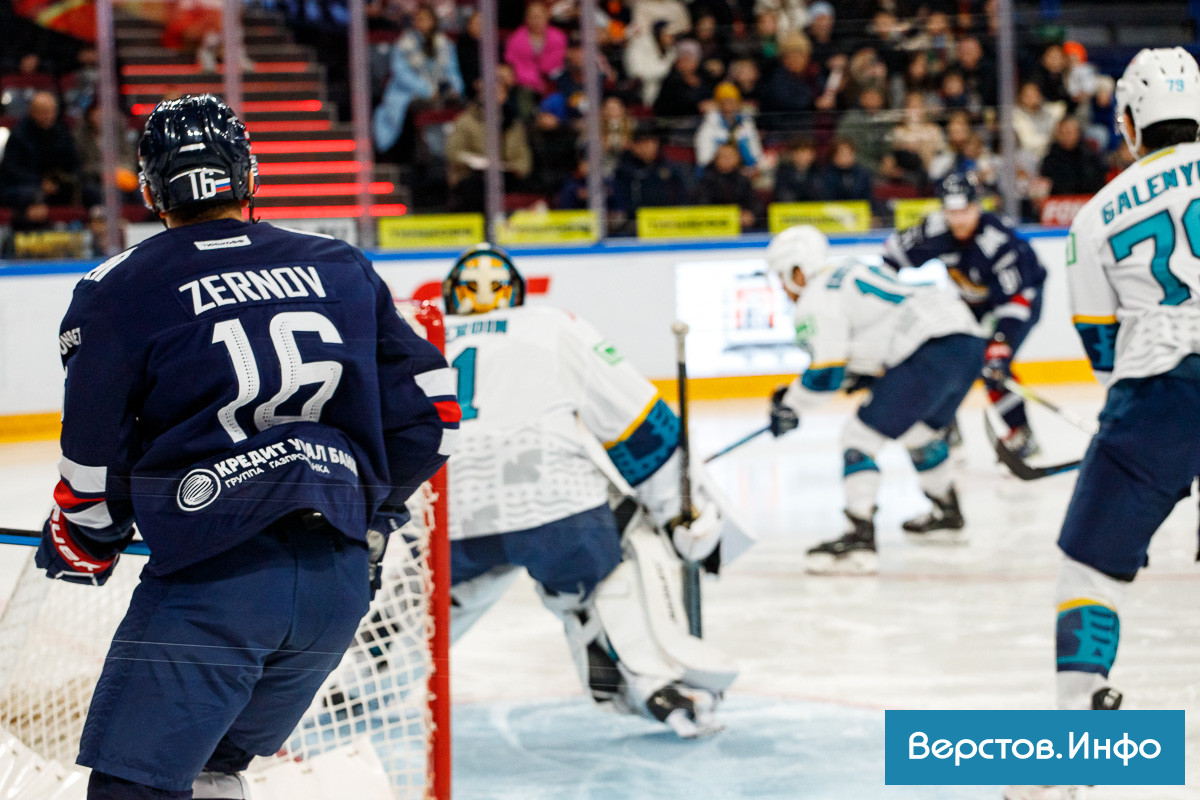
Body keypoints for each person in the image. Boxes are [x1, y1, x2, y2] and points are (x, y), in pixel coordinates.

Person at [33, 94, 458, 799]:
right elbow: (433, 418)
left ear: (149, 188)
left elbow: (92, 466)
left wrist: (87, 540)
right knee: (211, 769)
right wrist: (369, 515)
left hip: (215, 588)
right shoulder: (341, 264)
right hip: (335, 591)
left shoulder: (116, 289)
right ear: (247, 174)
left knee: (132, 787)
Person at [1004, 47, 1200, 800]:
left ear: (1126, 124)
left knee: (1089, 570)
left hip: (1159, 389)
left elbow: (1100, 350)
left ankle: (1073, 747)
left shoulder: (1096, 215)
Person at [441, 244, 739, 737]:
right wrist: (678, 513)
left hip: (446, 512)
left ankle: (346, 694)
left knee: (419, 608)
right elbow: (640, 425)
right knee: (620, 534)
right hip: (552, 502)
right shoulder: (553, 324)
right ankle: (653, 684)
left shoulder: (420, 337)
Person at [765, 225, 985, 575]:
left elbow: (826, 372)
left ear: (797, 270)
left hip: (926, 348)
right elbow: (873, 341)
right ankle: (947, 512)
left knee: (858, 437)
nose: (783, 288)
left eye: (781, 277)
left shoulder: (815, 295)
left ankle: (859, 534)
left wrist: (790, 405)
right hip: (967, 341)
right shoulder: (850, 269)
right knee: (918, 432)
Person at [882, 171, 1048, 458]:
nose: (958, 220)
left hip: (1020, 299)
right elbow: (891, 255)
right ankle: (945, 429)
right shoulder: (935, 229)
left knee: (994, 366)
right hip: (970, 302)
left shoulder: (998, 241)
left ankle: (1022, 436)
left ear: (978, 206)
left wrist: (1000, 340)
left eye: (965, 211)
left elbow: (1015, 300)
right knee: (944, 360)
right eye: (951, 212)